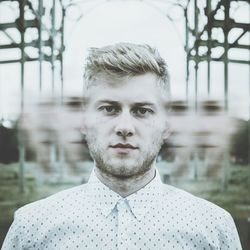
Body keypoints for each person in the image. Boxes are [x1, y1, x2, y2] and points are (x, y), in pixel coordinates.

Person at [2, 43, 242, 250]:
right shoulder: (31, 228)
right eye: (109, 108)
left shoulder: (214, 228)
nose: (124, 127)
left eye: (142, 111)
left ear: (167, 124)